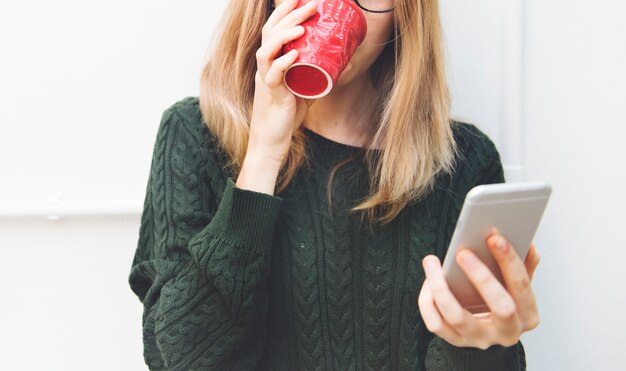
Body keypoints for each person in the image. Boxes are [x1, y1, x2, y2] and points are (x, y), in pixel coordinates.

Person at [128, 0, 541, 369]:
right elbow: (181, 358)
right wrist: (263, 156)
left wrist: (477, 346)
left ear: (406, 10)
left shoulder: (463, 163)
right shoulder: (194, 136)